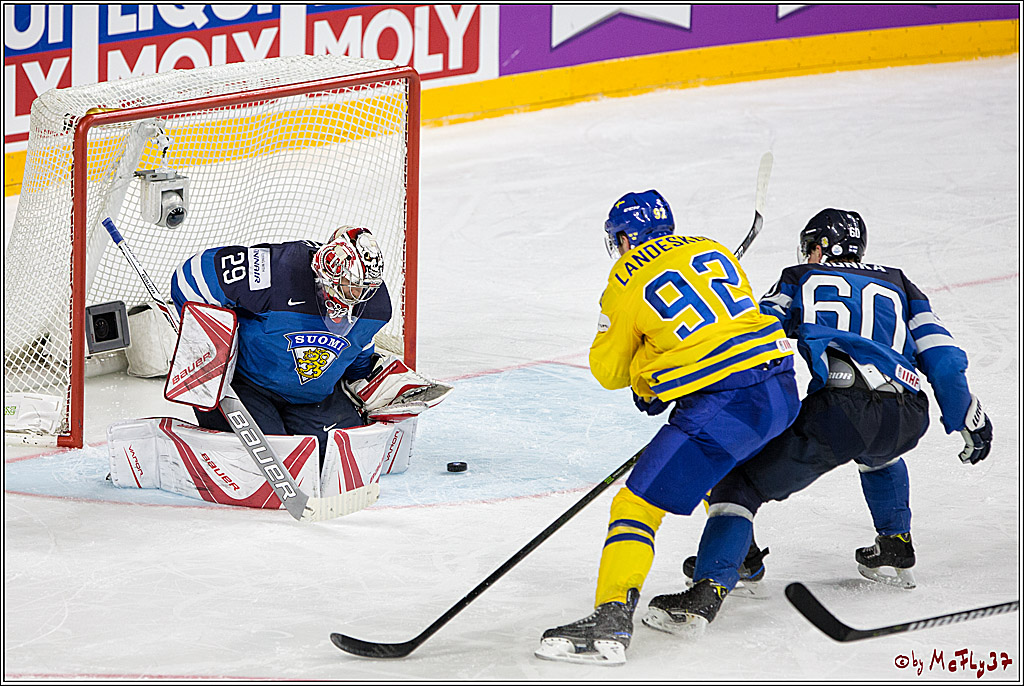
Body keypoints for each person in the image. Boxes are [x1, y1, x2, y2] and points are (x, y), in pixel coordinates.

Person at [660, 208, 994, 634]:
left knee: (736, 484)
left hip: (841, 412)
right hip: (909, 415)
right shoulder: (901, 283)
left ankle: (709, 588)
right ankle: (895, 545)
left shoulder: (801, 276)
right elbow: (943, 358)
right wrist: (965, 413)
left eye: (809, 247)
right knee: (880, 454)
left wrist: (721, 314)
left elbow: (758, 329)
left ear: (819, 247)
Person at [534, 190, 802, 665]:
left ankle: (611, 618)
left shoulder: (625, 275)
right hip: (781, 391)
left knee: (635, 504)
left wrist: (645, 373)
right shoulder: (714, 249)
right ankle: (734, 565)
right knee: (727, 483)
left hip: (727, 401)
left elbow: (609, 372)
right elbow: (721, 326)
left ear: (623, 238)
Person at [170, 225, 446, 464]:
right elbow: (191, 276)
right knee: (271, 454)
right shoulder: (276, 272)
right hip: (246, 385)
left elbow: (360, 346)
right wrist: (204, 343)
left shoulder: (374, 305)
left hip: (312, 398)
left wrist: (364, 380)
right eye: (352, 285)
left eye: (366, 288)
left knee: (350, 449)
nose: (359, 296)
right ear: (330, 272)